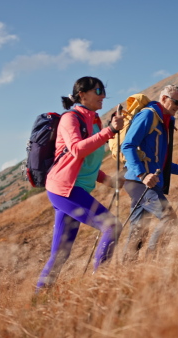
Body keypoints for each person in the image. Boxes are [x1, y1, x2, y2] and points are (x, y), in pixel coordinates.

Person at [36, 76, 124, 290]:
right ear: (82, 94)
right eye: (98, 90)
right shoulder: (70, 118)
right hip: (64, 189)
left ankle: (39, 300)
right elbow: (77, 149)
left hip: (71, 189)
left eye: (104, 90)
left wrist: (108, 181)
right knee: (112, 226)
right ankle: (100, 286)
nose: (103, 95)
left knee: (60, 254)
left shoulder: (93, 121)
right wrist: (110, 131)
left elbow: (87, 163)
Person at [121, 85, 178, 260]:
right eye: (176, 102)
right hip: (139, 181)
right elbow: (127, 146)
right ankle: (154, 260)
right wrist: (143, 175)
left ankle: (126, 271)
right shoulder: (149, 115)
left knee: (139, 231)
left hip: (147, 182)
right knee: (169, 218)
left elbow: (161, 162)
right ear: (164, 98)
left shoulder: (164, 122)